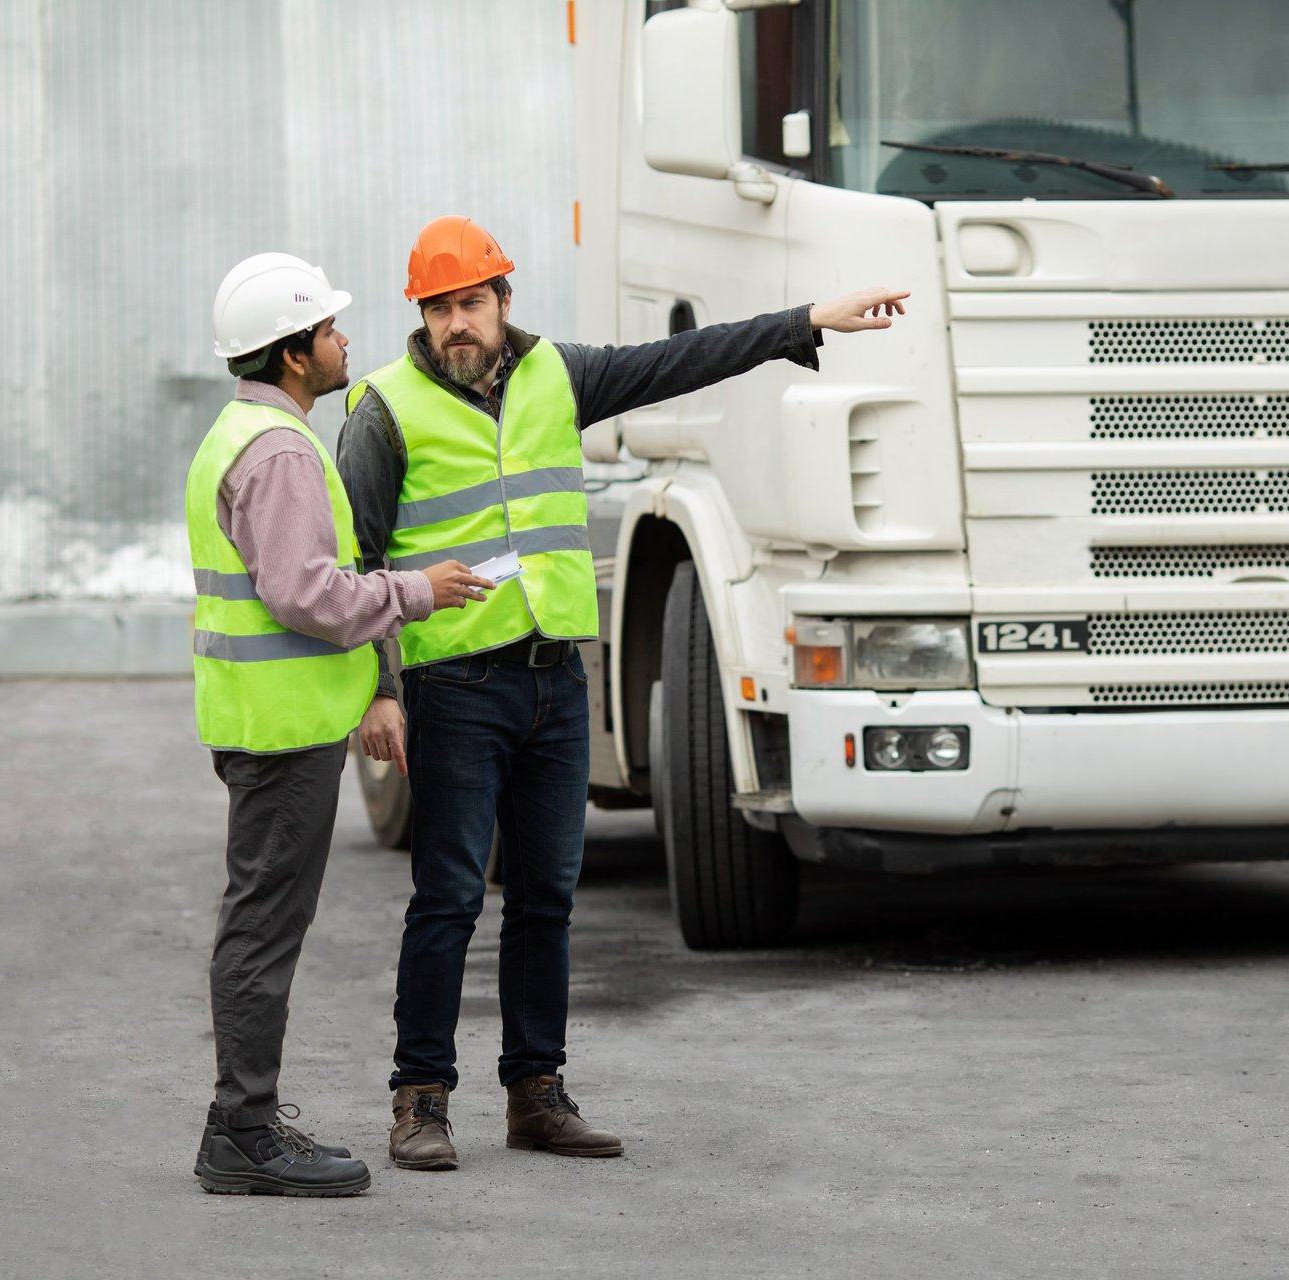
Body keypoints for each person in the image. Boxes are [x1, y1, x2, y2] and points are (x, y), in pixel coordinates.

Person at [338, 215, 907, 1170]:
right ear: (422, 315)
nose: (455, 324)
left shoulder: (562, 374)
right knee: (446, 899)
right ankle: (420, 1098)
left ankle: (536, 1093)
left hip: (558, 682)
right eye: (438, 308)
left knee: (549, 899)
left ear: (504, 301)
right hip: (453, 687)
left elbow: (680, 359)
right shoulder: (384, 409)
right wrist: (378, 691)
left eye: (470, 303)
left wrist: (807, 318)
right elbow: (356, 559)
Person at [185, 252, 496, 1196]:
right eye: (327, 330)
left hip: (269, 722)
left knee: (262, 922)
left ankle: (244, 1119)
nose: (343, 340)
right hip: (279, 733)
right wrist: (417, 592)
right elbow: (302, 592)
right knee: (265, 930)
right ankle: (241, 1129)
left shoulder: (248, 433)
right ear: (291, 354)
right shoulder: (280, 452)